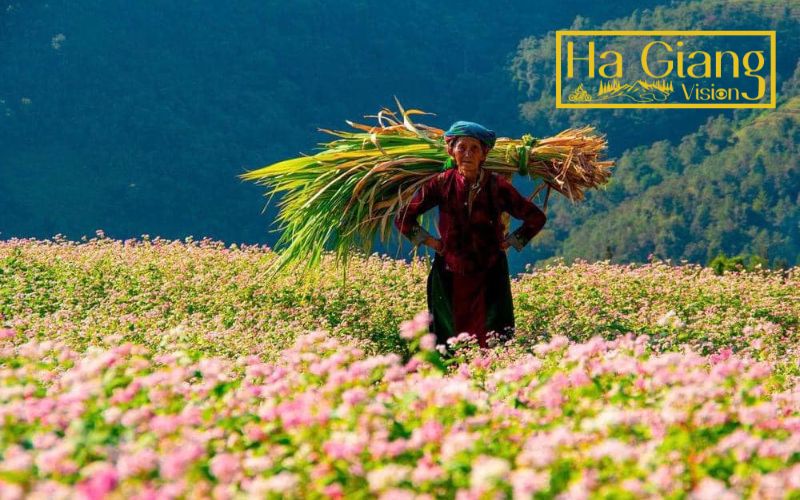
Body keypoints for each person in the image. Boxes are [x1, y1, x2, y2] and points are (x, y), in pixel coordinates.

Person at [394, 121, 547, 350]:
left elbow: (536, 217)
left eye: (474, 148)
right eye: (461, 148)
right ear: (451, 151)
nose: (467, 154)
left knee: (493, 340)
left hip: (490, 274)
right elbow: (403, 217)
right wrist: (432, 242)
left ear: (484, 154)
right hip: (449, 274)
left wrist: (511, 241)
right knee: (448, 341)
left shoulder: (497, 186)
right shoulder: (441, 183)